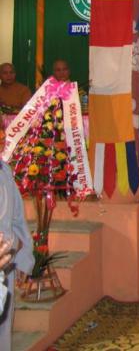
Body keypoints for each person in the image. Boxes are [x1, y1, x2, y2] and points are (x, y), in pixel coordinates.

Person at [0, 117, 35, 349]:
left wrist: (24, 258)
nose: (3, 141)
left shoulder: (5, 171)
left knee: (4, 326)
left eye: (3, 136)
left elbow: (17, 219)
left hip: (6, 261)